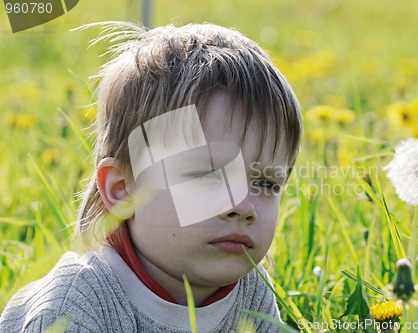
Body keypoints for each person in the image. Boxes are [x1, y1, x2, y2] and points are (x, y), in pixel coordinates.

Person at [0, 21, 302, 332]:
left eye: (266, 182)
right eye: (210, 175)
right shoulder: (76, 307)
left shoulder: (251, 292)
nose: (243, 206)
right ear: (122, 190)